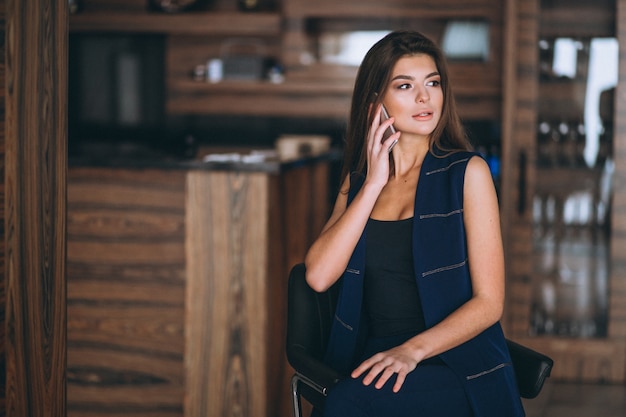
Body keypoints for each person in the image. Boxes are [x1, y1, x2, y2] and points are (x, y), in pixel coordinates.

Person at [304, 30, 525, 417]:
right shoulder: (358, 182)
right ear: (377, 102)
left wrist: (412, 351)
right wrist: (372, 183)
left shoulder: (466, 172)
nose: (425, 98)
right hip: (379, 356)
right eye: (405, 86)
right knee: (351, 400)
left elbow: (490, 303)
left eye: (433, 83)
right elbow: (319, 276)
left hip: (454, 360)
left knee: (346, 405)